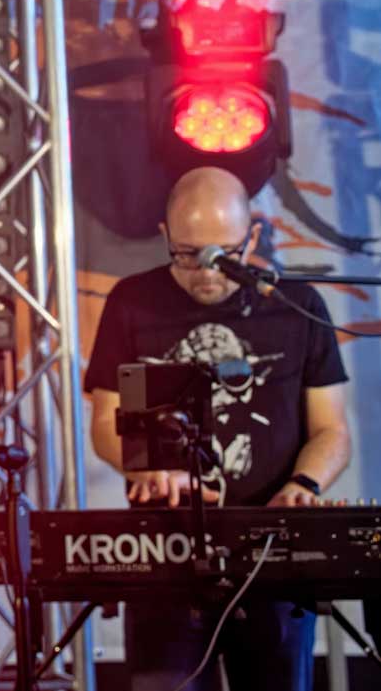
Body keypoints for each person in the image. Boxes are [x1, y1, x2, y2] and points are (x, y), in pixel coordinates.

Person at [84, 166, 351, 691]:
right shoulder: (131, 301)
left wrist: (304, 485)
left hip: (273, 552)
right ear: (164, 234)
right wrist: (149, 468)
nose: (207, 272)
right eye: (188, 254)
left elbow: (332, 431)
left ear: (251, 237)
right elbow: (104, 423)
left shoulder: (297, 306)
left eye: (222, 254)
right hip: (166, 551)